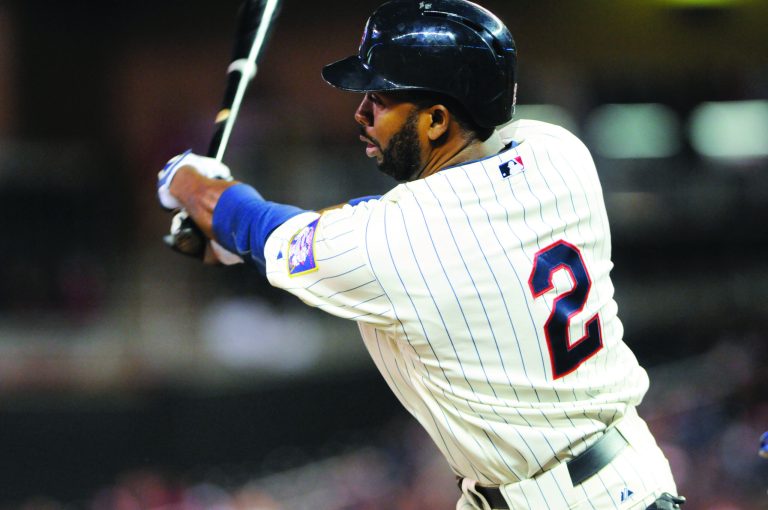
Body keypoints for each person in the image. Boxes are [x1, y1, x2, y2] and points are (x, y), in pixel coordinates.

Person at [156, 1, 686, 508]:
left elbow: (264, 226)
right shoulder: (557, 150)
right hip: (616, 475)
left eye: (381, 98)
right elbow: (376, 226)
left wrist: (189, 181)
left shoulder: (394, 240)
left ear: (436, 120)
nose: (362, 112)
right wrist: (230, 236)